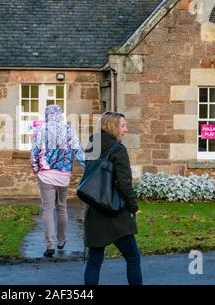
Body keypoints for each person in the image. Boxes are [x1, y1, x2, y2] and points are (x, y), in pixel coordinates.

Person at [84, 111, 142, 285]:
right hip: (115, 212)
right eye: (123, 126)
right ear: (113, 126)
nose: (126, 129)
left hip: (95, 208)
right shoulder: (118, 149)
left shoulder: (92, 145)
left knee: (94, 261)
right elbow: (125, 183)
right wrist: (133, 207)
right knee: (133, 258)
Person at [31, 105, 86, 258]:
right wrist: (88, 167)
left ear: (47, 115)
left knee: (48, 209)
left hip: (46, 175)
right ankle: (62, 240)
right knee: (62, 207)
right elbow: (78, 150)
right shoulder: (69, 130)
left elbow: (34, 152)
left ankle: (50, 245)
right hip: (63, 175)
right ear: (60, 115)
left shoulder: (40, 130)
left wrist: (36, 168)